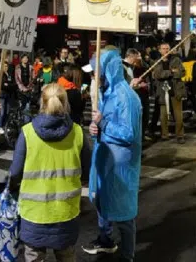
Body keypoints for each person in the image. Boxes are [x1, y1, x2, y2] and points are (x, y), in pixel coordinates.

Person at [9, 83, 91, 262]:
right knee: (67, 256)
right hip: (66, 211)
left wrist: (12, 190)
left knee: (35, 257)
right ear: (65, 103)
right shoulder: (77, 132)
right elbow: (87, 170)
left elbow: (15, 172)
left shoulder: (28, 133)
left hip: (34, 212)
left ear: (42, 102)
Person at [82, 48, 142, 261]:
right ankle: (105, 241)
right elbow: (101, 124)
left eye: (96, 73)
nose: (93, 77)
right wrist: (94, 127)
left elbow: (128, 133)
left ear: (108, 71)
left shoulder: (127, 98)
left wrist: (103, 124)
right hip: (106, 161)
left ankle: (128, 255)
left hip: (120, 165)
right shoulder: (106, 94)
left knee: (124, 216)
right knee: (102, 203)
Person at [152, 43, 186, 144]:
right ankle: (164, 135)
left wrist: (166, 73)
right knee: (163, 116)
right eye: (164, 48)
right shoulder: (157, 62)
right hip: (162, 92)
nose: (166, 50)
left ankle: (180, 135)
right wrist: (171, 72)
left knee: (178, 116)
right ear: (160, 50)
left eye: (167, 48)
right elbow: (157, 75)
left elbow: (182, 72)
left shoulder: (176, 60)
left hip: (176, 90)